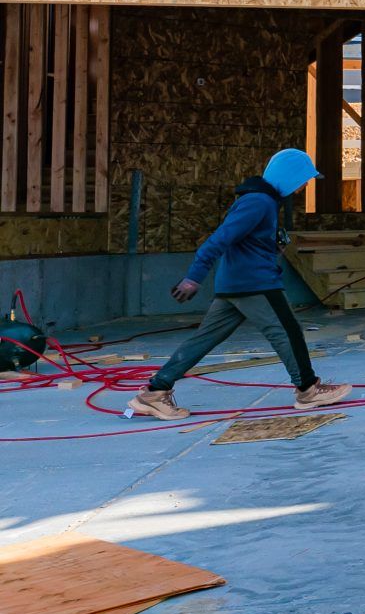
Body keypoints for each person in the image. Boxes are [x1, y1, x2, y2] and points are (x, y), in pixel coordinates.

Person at [126, 149, 349, 420]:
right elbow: (220, 239)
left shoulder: (261, 200)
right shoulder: (259, 202)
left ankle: (154, 392)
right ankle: (308, 390)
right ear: (289, 177)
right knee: (288, 332)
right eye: (303, 180)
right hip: (255, 284)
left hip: (235, 284)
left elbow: (246, 242)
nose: (303, 187)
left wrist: (273, 247)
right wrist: (193, 276)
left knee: (204, 339)